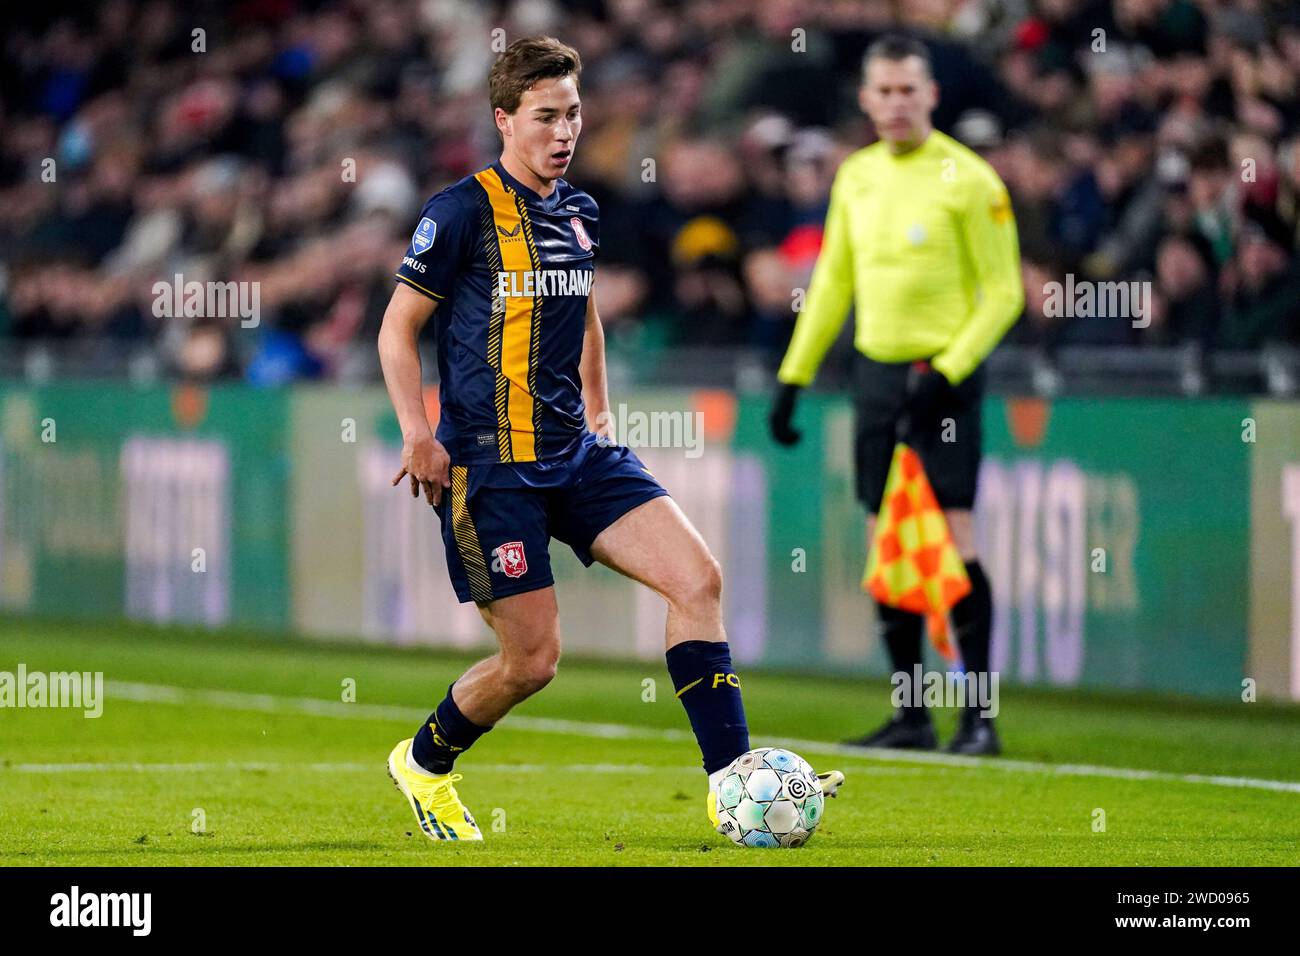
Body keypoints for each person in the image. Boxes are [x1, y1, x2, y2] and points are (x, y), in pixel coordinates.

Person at [377, 36, 842, 841]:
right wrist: (418, 433)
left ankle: (731, 782)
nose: (565, 132)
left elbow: (582, 309)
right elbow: (396, 330)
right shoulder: (458, 214)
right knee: (533, 663)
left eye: (574, 114)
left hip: (579, 456)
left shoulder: (580, 212)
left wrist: (598, 405)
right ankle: (424, 763)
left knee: (697, 579)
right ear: (504, 120)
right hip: (491, 470)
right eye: (546, 117)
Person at [770, 34, 1024, 755]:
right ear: (865, 98)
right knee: (891, 541)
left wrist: (949, 369)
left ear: (931, 95)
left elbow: (1004, 291)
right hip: (877, 378)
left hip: (941, 375)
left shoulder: (972, 179)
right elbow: (833, 283)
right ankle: (912, 714)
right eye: (882, 91)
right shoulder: (856, 176)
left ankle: (979, 717)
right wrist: (794, 376)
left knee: (955, 535)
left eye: (908, 90)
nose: (895, 103)